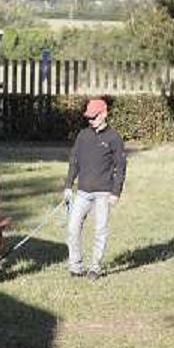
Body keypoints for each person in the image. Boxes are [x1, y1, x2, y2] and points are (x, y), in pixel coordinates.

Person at [64, 98, 127, 280]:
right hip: (82, 192)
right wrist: (68, 185)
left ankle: (95, 268)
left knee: (100, 230)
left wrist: (116, 192)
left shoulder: (114, 138)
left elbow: (120, 168)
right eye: (88, 117)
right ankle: (76, 267)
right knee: (72, 228)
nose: (90, 120)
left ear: (104, 114)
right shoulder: (83, 135)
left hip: (103, 193)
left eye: (94, 117)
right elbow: (74, 161)